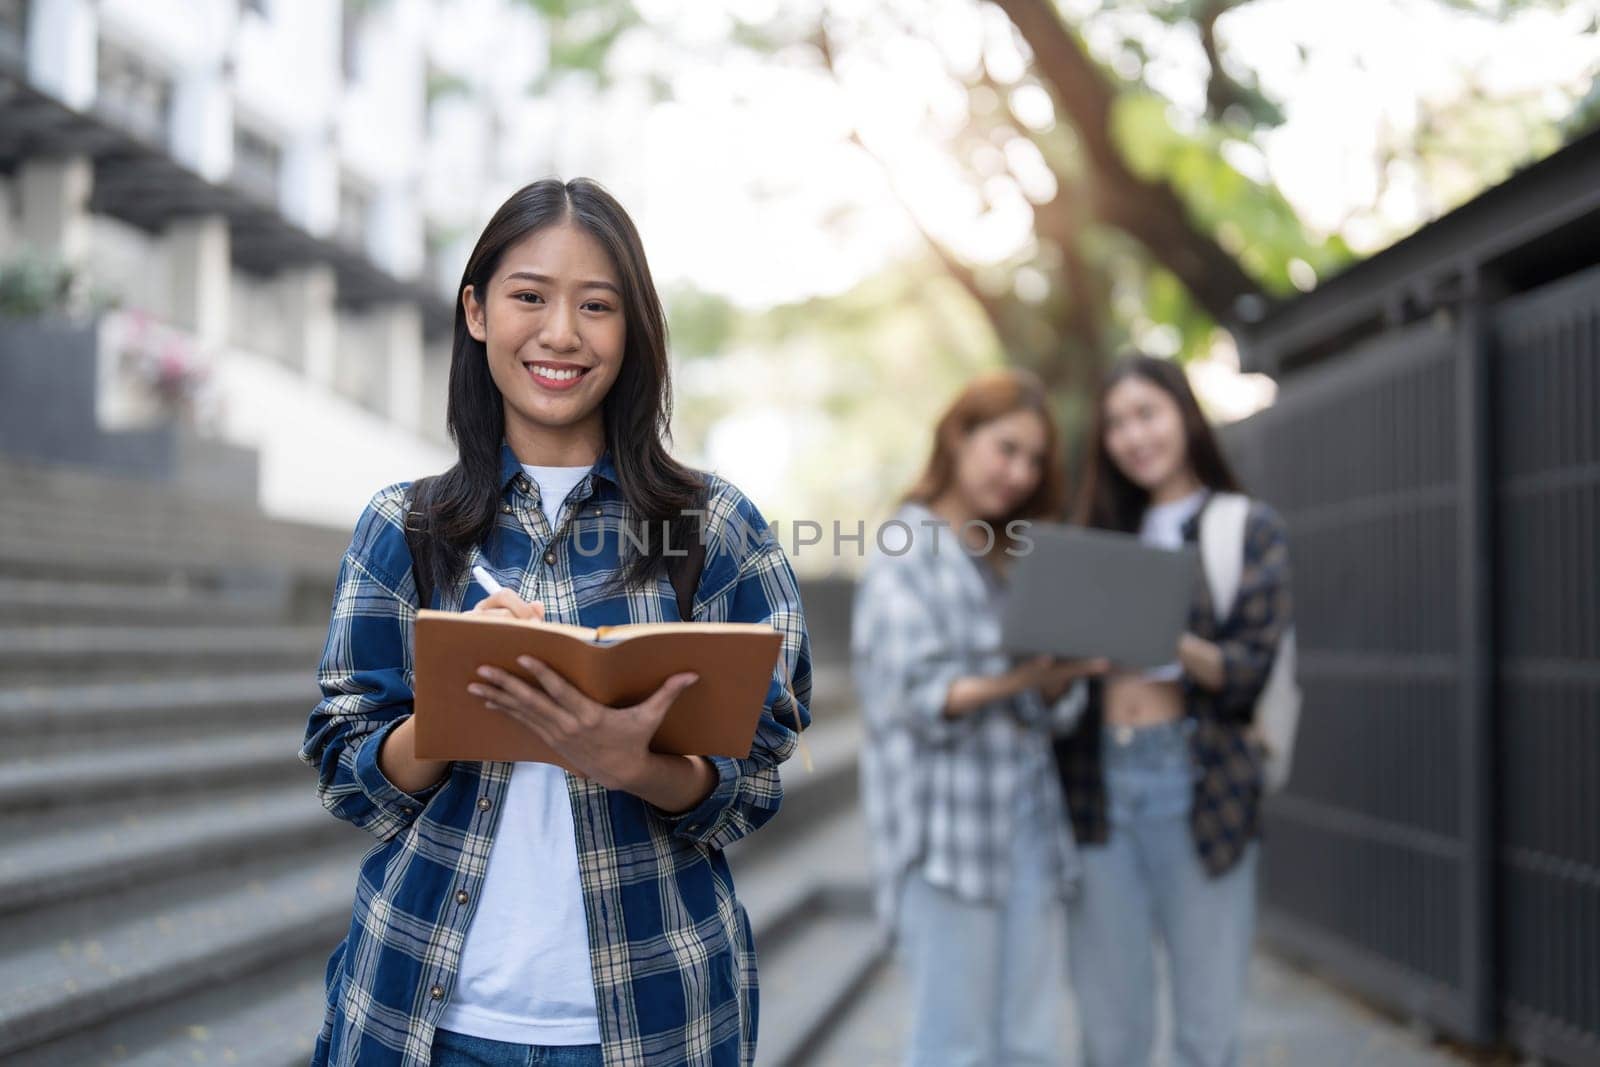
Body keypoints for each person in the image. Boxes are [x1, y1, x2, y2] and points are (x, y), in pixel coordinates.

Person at [298, 177, 812, 1067]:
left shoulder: (712, 527)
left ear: (634, 328)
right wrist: (454, 709)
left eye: (597, 305)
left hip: (652, 1023)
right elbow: (350, 778)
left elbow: (756, 778)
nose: (562, 333)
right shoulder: (405, 527)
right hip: (422, 1015)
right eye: (529, 295)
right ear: (477, 312)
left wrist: (638, 765)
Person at [850, 369, 1108, 1067]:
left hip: (1027, 824)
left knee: (1030, 1043)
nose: (1019, 472)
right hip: (945, 839)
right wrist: (1023, 673)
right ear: (959, 436)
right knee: (953, 1047)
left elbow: (1047, 709)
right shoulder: (906, 549)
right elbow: (917, 696)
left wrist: (1060, 680)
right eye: (1006, 448)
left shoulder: (1012, 556)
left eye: (1033, 459)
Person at [1054, 353, 1292, 1067]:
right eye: (1117, 423)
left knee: (1206, 1032)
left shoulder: (1244, 526)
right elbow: (1058, 675)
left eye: (1147, 413)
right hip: (1099, 786)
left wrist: (1163, 632)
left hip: (1202, 780)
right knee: (1110, 1034)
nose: (1134, 435)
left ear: (1184, 413)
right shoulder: (1093, 531)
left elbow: (1249, 668)